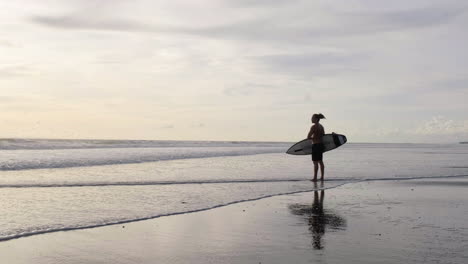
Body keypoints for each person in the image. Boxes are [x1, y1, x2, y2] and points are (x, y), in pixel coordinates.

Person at [307, 113, 325, 181]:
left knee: (315, 162)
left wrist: (313, 138)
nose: (311, 119)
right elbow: (323, 136)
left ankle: (315, 178)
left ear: (316, 119)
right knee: (320, 161)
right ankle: (322, 177)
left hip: (315, 145)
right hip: (321, 145)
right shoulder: (321, 126)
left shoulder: (313, 127)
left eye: (312, 118)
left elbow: (308, 137)